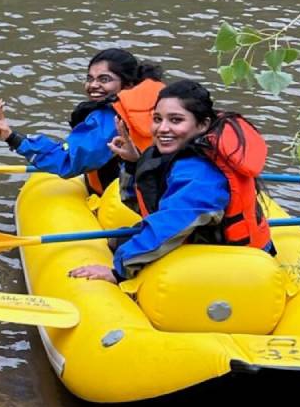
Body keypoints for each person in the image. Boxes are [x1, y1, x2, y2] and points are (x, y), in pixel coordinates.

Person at [69, 79, 272, 283]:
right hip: (204, 247)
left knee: (127, 249)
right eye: (157, 119)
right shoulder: (180, 157)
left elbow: (170, 225)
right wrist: (133, 163)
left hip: (235, 267)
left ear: (203, 125)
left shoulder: (201, 175)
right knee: (121, 239)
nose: (162, 128)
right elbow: (145, 206)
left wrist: (117, 272)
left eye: (176, 120)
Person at [0, 48, 164, 192]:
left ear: (128, 84)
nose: (93, 85)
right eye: (90, 79)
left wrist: (13, 138)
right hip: (154, 190)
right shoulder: (159, 105)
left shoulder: (108, 118)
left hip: (124, 204)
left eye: (104, 79)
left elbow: (67, 162)